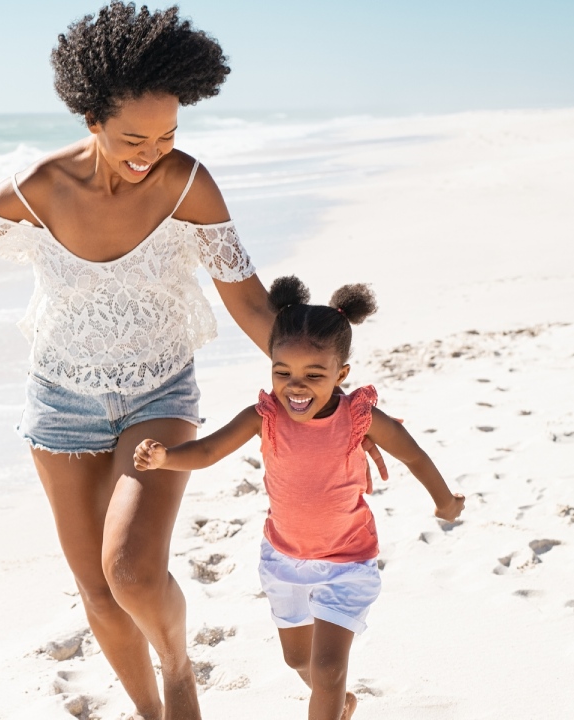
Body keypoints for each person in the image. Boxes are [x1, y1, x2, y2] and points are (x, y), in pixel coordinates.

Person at [0, 4, 383, 719]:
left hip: (160, 392)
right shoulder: (38, 187)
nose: (150, 151)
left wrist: (326, 403)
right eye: (133, 137)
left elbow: (254, 307)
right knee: (95, 589)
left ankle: (178, 670)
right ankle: (154, 713)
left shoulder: (188, 185)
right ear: (90, 116)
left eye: (167, 135)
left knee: (129, 568)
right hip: (59, 405)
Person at [133, 276, 466, 720]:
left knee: (329, 669)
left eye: (314, 374)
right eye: (282, 372)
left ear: (341, 374)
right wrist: (165, 458)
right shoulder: (264, 417)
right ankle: (337, 702)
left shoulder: (360, 418)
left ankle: (331, 698)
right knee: (298, 661)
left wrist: (444, 502)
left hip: (347, 561)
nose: (296, 386)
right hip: (283, 559)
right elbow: (209, 450)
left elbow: (414, 455)